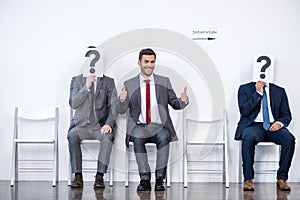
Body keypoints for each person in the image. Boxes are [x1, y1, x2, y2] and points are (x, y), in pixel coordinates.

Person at [117, 48, 189, 191]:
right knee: (137, 137)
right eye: (146, 62)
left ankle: (160, 179)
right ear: (139, 62)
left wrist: (183, 100)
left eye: (152, 62)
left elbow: (175, 104)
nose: (149, 65)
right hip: (140, 126)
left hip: (159, 126)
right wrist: (122, 99)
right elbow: (121, 109)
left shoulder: (164, 81)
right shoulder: (129, 83)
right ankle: (144, 179)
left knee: (164, 138)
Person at [235, 80, 295, 191]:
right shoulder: (244, 88)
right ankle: (248, 179)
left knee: (289, 138)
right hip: (254, 126)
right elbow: (244, 111)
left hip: (273, 126)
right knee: (248, 137)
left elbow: (286, 114)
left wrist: (279, 123)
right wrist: (258, 93)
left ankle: (282, 178)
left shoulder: (279, 90)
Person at [68, 73, 117, 188]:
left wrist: (108, 124)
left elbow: (113, 107)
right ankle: (78, 175)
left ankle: (100, 176)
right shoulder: (76, 80)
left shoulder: (108, 81)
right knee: (72, 135)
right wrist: (86, 87)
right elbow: (73, 103)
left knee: (108, 137)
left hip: (100, 127)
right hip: (81, 125)